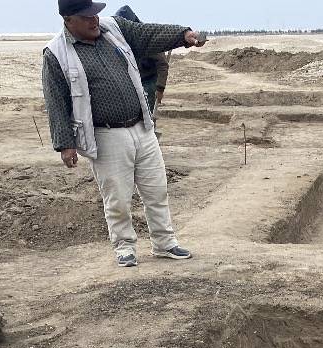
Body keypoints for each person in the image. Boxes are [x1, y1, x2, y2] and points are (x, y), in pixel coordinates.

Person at [42, 0, 206, 269]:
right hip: (106, 135)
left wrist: (183, 35)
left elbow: (148, 34)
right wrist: (65, 144)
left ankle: (165, 243)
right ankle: (125, 247)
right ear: (68, 20)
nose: (95, 20)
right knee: (117, 197)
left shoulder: (114, 28)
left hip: (142, 126)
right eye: (87, 17)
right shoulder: (56, 53)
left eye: (95, 14)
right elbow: (56, 101)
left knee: (156, 189)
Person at [113, 6, 175, 116]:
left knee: (147, 113)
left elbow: (162, 65)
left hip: (149, 81)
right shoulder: (121, 37)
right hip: (134, 80)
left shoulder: (147, 38)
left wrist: (160, 88)